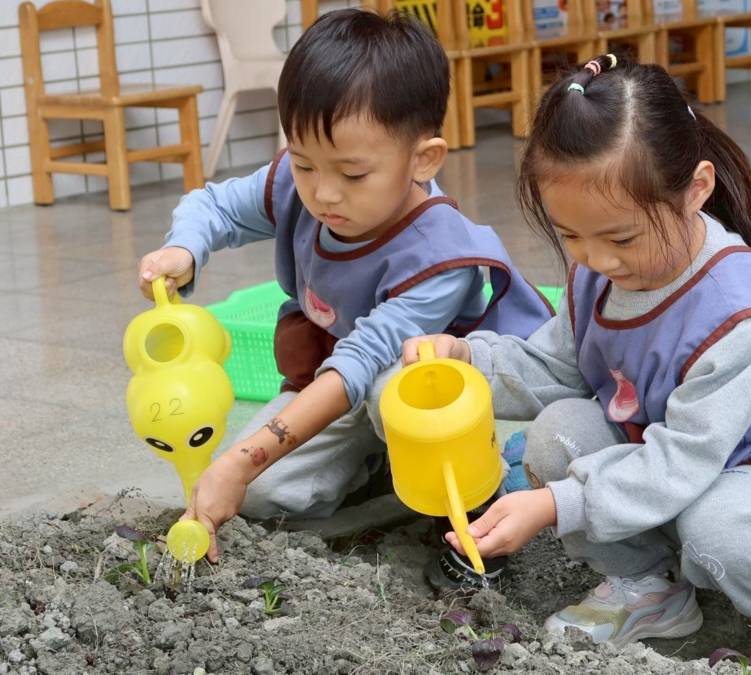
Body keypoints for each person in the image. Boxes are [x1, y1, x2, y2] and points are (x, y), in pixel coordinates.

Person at [403, 55, 751, 673]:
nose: (597, 259)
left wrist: (554, 506)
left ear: (696, 189)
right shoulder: (595, 276)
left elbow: (684, 456)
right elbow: (556, 368)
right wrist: (466, 359)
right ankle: (652, 590)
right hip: (674, 472)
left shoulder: (743, 310)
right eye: (571, 235)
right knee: (559, 433)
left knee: (720, 526)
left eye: (621, 238)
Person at [135, 11, 551, 582]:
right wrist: (184, 250)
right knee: (263, 499)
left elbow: (358, 366)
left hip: (412, 390)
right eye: (305, 164)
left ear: (423, 159)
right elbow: (214, 205)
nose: (324, 193)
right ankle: (381, 470)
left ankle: (477, 503)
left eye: (353, 175)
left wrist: (240, 459)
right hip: (331, 381)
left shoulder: (435, 256)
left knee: (388, 392)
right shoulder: (302, 182)